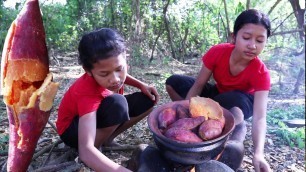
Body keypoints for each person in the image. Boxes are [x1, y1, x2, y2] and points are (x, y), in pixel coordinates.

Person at [165, 9, 271, 172]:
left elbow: (260, 117)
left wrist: (258, 154)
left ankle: (228, 143)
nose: (252, 45)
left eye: (260, 40)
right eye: (246, 37)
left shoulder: (261, 72)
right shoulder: (217, 52)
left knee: (235, 101)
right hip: (218, 96)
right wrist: (186, 114)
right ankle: (199, 126)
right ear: (233, 37)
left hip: (241, 103)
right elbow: (199, 85)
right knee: (174, 82)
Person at [56, 28, 159, 171]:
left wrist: (141, 85)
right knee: (118, 104)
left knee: (147, 100)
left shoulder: (110, 73)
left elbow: (115, 73)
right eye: (104, 74)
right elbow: (85, 151)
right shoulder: (87, 92)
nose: (115, 79)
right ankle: (96, 148)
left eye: (119, 69)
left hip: (97, 115)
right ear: (88, 71)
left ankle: (107, 140)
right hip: (72, 129)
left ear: (124, 57)